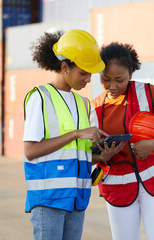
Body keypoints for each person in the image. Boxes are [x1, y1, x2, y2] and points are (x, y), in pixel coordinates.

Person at [23, 29, 125, 240]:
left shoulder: (84, 105)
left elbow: (79, 155)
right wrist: (77, 133)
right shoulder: (39, 98)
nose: (88, 79)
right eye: (83, 73)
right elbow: (31, 151)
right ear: (64, 67)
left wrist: (102, 156)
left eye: (90, 74)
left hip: (77, 198)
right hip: (49, 198)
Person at [91, 42, 154, 240]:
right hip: (118, 190)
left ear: (131, 72)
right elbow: (87, 154)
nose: (112, 86)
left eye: (119, 80)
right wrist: (101, 156)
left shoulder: (149, 93)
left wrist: (152, 145)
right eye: (105, 80)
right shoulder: (93, 109)